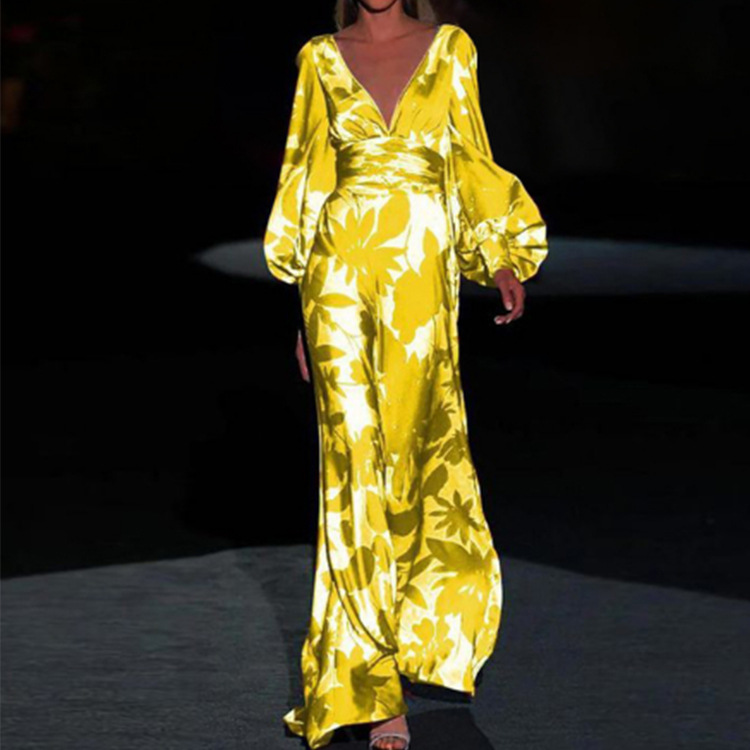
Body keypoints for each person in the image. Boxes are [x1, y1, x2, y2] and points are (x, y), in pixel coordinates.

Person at [263, 1, 549, 747]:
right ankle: (370, 684)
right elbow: (307, 176)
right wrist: (304, 313)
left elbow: (469, 155)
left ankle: (416, 635)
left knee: (414, 463)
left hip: (421, 271)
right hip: (337, 276)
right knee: (351, 471)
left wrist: (499, 254)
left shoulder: (451, 47)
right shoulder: (319, 57)